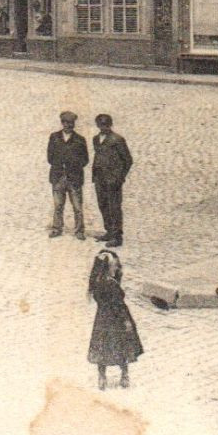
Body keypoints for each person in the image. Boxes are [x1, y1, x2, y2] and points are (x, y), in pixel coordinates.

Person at [87, 250, 143, 391]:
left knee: (102, 348)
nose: (117, 269)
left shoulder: (97, 283)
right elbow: (119, 305)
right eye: (115, 266)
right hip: (116, 320)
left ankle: (102, 377)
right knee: (122, 346)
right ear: (108, 267)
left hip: (102, 319)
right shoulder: (112, 284)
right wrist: (126, 322)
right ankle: (124, 374)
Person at [91, 114, 132, 248]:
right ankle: (109, 231)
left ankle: (117, 236)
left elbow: (128, 160)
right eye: (101, 125)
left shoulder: (117, 139)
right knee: (102, 204)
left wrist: (120, 177)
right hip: (99, 178)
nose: (104, 127)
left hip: (113, 179)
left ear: (110, 125)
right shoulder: (96, 139)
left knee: (114, 207)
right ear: (97, 125)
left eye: (106, 125)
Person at [47, 110, 89, 239]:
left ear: (74, 124)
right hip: (58, 177)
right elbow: (50, 157)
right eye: (65, 122)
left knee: (77, 206)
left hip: (74, 178)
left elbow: (85, 159)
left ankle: (79, 231)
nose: (68, 125)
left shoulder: (80, 139)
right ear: (62, 123)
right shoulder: (54, 137)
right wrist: (60, 165)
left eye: (70, 123)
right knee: (58, 205)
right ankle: (56, 228)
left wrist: (73, 166)